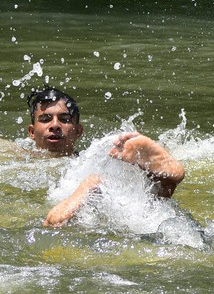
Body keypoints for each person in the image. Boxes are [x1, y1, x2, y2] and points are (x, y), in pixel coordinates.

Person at [25, 86, 185, 227]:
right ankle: (165, 179)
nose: (54, 125)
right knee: (142, 208)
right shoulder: (18, 158)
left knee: (142, 196)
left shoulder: (89, 161)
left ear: (79, 131)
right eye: (46, 119)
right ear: (32, 132)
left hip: (86, 189)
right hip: (88, 190)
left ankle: (164, 178)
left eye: (64, 119)